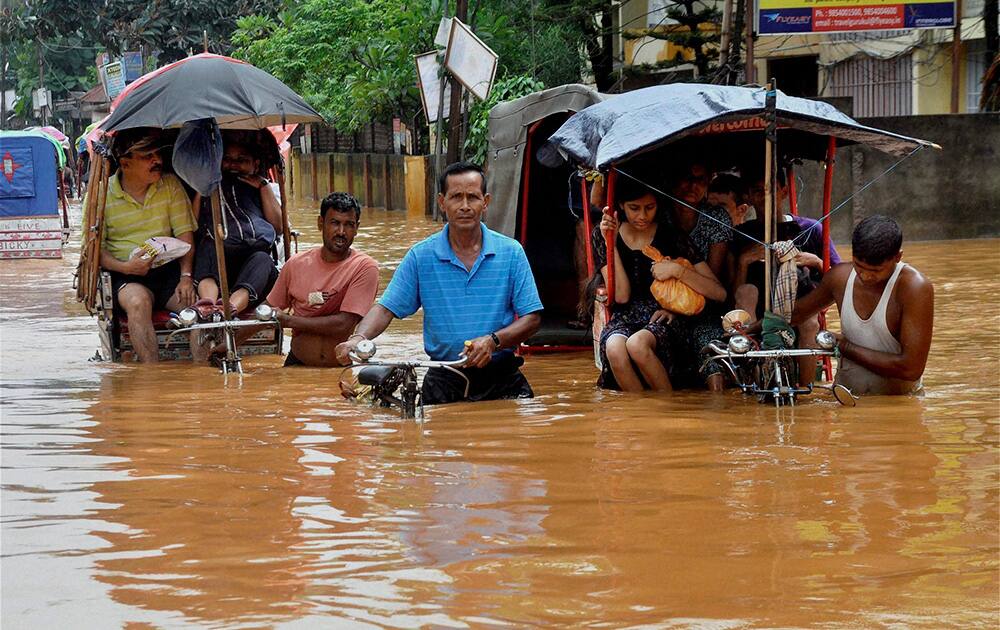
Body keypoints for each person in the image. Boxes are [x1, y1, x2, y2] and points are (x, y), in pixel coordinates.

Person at [335, 161, 543, 405]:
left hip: (502, 378)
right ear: (442, 202)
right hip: (444, 379)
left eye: (472, 197)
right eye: (456, 197)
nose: (465, 206)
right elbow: (385, 308)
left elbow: (533, 318)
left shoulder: (511, 252)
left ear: (485, 202)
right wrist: (358, 339)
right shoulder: (421, 256)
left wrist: (493, 341)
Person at [594, 178, 727, 392]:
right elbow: (621, 296)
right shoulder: (602, 235)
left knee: (637, 345)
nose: (642, 216)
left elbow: (719, 293)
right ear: (621, 205)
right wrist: (611, 243)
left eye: (649, 208)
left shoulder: (671, 235)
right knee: (614, 348)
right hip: (625, 316)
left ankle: (667, 409)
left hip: (665, 316)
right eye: (634, 208)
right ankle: (644, 416)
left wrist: (677, 270)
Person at [792, 215, 933, 395]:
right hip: (844, 400)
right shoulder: (839, 277)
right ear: (852, 255)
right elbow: (796, 315)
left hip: (896, 404)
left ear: (898, 257)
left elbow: (911, 369)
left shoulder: (914, 288)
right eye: (859, 267)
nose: (866, 276)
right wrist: (749, 329)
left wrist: (845, 347)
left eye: (876, 271)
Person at [98, 128, 197, 363]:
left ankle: (200, 372)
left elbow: (185, 236)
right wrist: (126, 267)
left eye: (157, 155)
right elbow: (94, 251)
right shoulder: (103, 196)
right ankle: (151, 375)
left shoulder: (170, 185)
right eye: (147, 157)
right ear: (125, 163)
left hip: (169, 270)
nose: (157, 161)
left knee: (196, 309)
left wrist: (186, 276)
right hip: (126, 274)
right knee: (138, 302)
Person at [265, 192, 379, 367]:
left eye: (348, 225)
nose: (341, 232)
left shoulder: (364, 267)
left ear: (356, 228)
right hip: (297, 363)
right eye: (335, 223)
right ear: (321, 223)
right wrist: (229, 343)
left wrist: (289, 321)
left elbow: (343, 324)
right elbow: (266, 312)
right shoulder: (296, 264)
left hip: (339, 368)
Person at [191, 138, 282, 318]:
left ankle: (228, 310)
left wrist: (263, 187)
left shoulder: (267, 188)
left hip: (253, 269)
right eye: (227, 159)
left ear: (255, 164)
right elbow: (192, 226)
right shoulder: (208, 187)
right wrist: (202, 191)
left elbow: (278, 227)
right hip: (217, 262)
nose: (233, 165)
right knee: (209, 245)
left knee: (263, 259)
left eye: (241, 160)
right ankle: (208, 308)